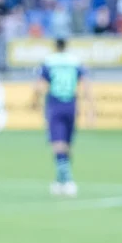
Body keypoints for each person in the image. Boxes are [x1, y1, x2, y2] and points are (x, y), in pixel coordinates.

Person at [34, 37, 93, 196]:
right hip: (71, 104)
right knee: (67, 144)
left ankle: (67, 180)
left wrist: (34, 100)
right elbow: (85, 83)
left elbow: (39, 84)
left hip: (55, 104)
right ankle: (60, 180)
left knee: (57, 145)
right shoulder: (75, 61)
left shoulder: (49, 61)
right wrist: (91, 108)